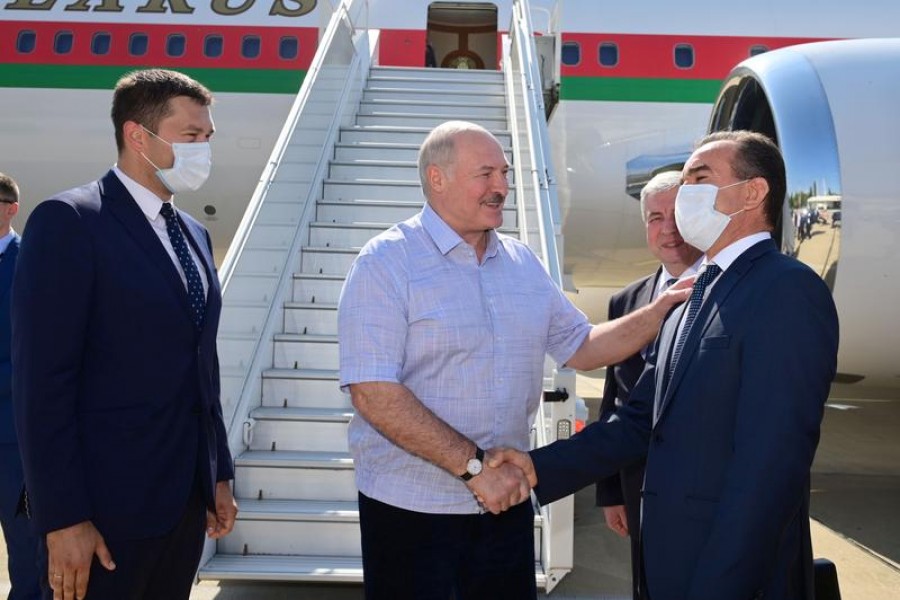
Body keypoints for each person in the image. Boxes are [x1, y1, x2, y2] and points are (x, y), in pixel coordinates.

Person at [337, 120, 691, 600]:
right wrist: (476, 470)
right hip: (413, 513)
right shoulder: (385, 263)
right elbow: (373, 392)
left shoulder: (522, 263)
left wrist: (662, 308)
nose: (501, 186)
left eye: (504, 173)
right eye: (485, 174)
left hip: (504, 506)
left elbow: (583, 345)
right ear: (437, 178)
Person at [491, 131, 839, 600]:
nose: (685, 196)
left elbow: (769, 470)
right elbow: (637, 421)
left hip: (729, 575)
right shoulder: (691, 295)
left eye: (700, 179)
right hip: (666, 565)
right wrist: (535, 469)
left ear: (753, 193)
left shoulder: (786, 292)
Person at [12, 69, 237, 600]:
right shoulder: (70, 221)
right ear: (138, 136)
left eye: (208, 138)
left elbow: (201, 364)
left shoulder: (195, 235)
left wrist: (217, 472)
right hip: (101, 513)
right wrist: (62, 517)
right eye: (191, 137)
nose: (204, 149)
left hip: (181, 506)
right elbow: (42, 385)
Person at [595, 170, 702, 599]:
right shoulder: (625, 301)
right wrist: (610, 491)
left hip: (700, 494)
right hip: (638, 489)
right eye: (656, 218)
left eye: (678, 215)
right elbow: (613, 401)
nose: (668, 229)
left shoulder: (727, 290)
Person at [0, 173, 41, 600]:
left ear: (12, 207)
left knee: (26, 552)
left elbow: (35, 352)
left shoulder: (29, 262)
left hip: (11, 440)